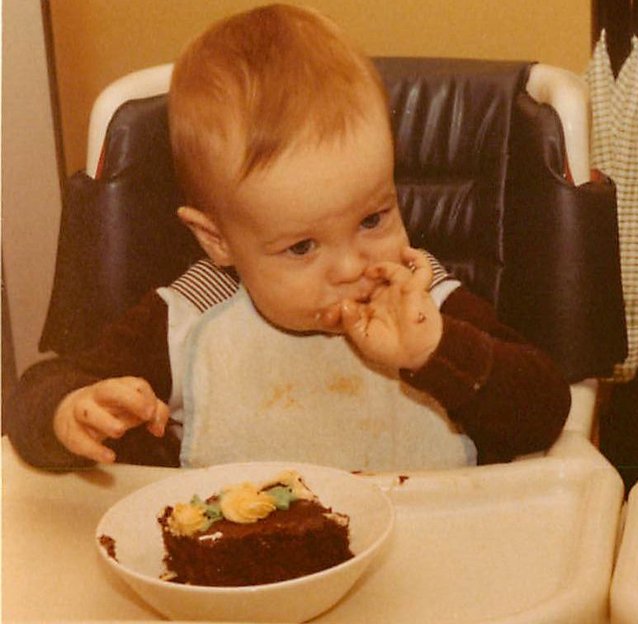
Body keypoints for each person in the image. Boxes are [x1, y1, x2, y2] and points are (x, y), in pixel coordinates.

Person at [7, 4, 571, 472]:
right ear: (217, 241)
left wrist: (437, 352)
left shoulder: (422, 304)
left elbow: (544, 411)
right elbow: (36, 393)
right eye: (302, 247)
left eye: (372, 219)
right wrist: (71, 411)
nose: (352, 267)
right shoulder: (188, 321)